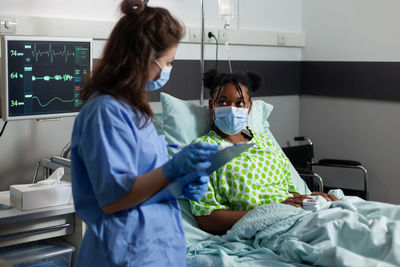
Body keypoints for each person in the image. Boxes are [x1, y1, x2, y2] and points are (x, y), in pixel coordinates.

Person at [70, 1, 218, 266]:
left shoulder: (135, 110)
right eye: (168, 62)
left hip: (156, 247)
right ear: (146, 59)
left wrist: (180, 183)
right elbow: (114, 198)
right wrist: (173, 170)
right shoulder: (106, 112)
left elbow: (144, 179)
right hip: (125, 251)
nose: (168, 69)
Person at [190, 69, 338, 235]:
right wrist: (272, 211)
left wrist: (309, 198)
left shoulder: (265, 141)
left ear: (249, 107)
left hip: (298, 215)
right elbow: (207, 219)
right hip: (267, 226)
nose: (232, 109)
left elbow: (287, 191)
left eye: (239, 103)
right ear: (212, 106)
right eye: (223, 103)